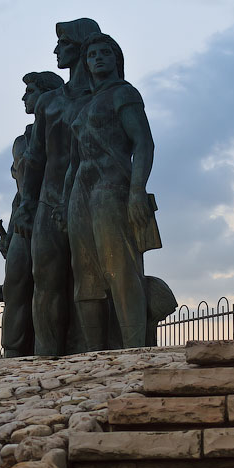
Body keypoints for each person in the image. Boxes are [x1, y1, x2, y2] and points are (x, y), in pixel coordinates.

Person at [62, 33, 162, 350]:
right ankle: (92, 355)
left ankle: (133, 349)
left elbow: (143, 143)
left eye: (105, 52)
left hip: (111, 185)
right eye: (92, 55)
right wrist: (64, 204)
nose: (98, 58)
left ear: (116, 59)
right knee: (86, 276)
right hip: (81, 191)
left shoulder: (124, 93)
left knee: (121, 270)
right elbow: (73, 162)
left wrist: (137, 190)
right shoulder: (83, 106)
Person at [13, 18, 102, 356]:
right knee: (46, 283)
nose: (56, 50)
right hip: (48, 204)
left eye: (63, 43)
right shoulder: (49, 102)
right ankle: (45, 358)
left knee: (90, 282)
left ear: (81, 46)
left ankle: (92, 356)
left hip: (88, 202)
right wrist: (27, 205)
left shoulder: (103, 98)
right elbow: (35, 158)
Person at [0, 71, 64, 357]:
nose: (24, 97)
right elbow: (22, 190)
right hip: (24, 218)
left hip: (51, 214)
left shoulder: (61, 131)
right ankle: (13, 352)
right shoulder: (23, 140)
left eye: (31, 91)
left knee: (47, 286)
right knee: (15, 283)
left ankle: (45, 350)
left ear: (47, 95)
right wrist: (11, 230)